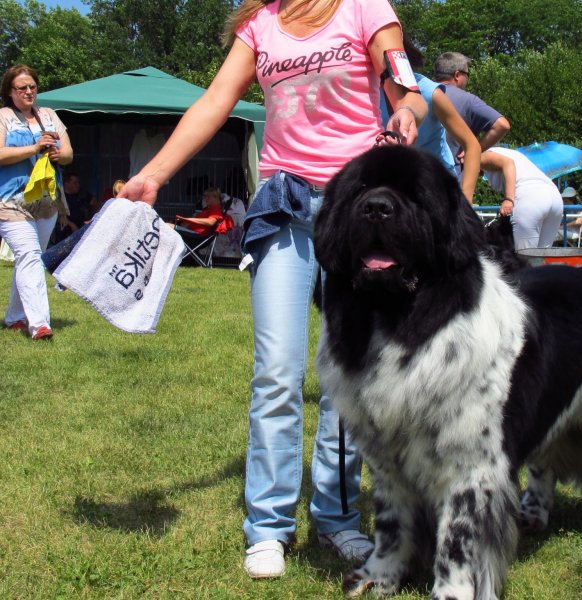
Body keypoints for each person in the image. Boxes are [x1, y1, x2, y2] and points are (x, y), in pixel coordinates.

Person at [118, 0, 426, 579]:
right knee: (277, 371)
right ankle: (267, 526)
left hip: (356, 209)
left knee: (347, 376)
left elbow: (403, 84)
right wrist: (154, 173)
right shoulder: (259, 25)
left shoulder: (365, 7)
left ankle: (337, 518)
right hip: (284, 204)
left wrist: (407, 110)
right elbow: (214, 101)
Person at [0, 64, 73, 340]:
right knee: (29, 255)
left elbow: (69, 153)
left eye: (32, 86)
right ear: (10, 92)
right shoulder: (3, 117)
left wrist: (58, 155)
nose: (29, 92)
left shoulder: (49, 115)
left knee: (30, 259)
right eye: (22, 88)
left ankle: (14, 316)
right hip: (10, 201)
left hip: (47, 201)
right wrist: (33, 148)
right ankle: (40, 324)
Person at [378, 35, 480, 201]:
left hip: (439, 192)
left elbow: (471, 145)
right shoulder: (369, 95)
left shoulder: (429, 93)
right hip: (398, 194)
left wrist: (466, 201)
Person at [480, 146, 563, 250]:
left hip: (530, 198)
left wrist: (509, 199)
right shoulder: (508, 152)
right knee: (544, 255)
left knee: (525, 256)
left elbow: (508, 163)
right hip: (554, 196)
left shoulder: (480, 156)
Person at [433, 51, 511, 159]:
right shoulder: (468, 100)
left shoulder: (421, 94)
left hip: (418, 167)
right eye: (467, 74)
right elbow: (502, 125)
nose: (467, 79)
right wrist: (475, 150)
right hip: (453, 168)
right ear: (457, 75)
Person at [52, 172, 91, 242]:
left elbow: (97, 204)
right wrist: (71, 225)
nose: (78, 185)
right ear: (67, 183)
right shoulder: (60, 197)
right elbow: (55, 215)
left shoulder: (83, 195)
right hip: (66, 230)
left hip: (83, 228)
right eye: (75, 183)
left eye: (78, 183)